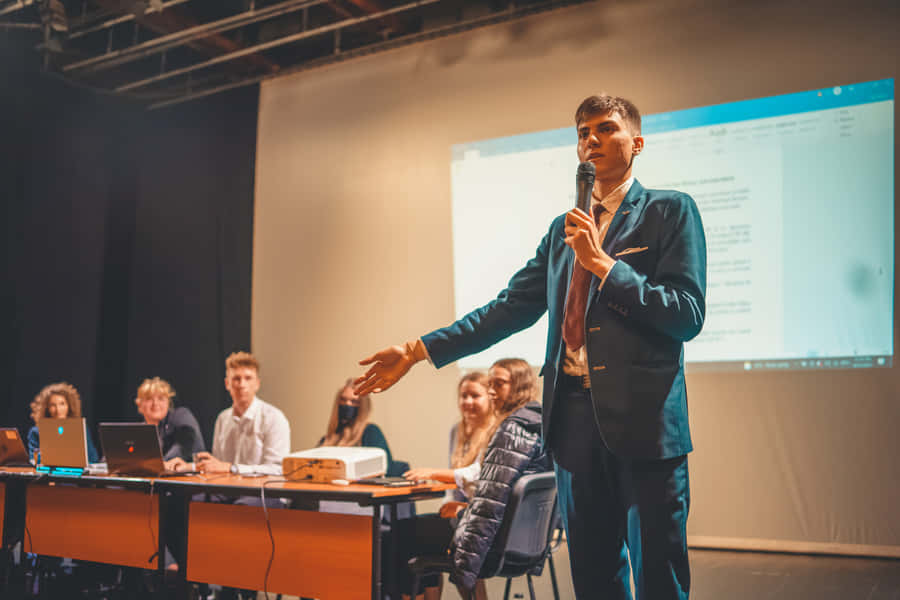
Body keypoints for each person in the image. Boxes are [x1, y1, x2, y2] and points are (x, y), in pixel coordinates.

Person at [356, 95, 707, 600]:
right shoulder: (560, 230)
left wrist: (604, 265)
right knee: (594, 575)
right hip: (574, 422)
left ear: (637, 142)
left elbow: (685, 315)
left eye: (606, 129)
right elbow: (506, 309)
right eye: (584, 132)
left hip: (645, 424)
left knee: (657, 575)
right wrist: (415, 350)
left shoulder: (670, 211)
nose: (592, 140)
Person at [397, 359, 550, 599]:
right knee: (420, 532)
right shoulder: (535, 425)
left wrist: (461, 513)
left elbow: (492, 499)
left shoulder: (512, 431)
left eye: (498, 384)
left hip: (498, 537)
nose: (491, 392)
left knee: (402, 533)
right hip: (522, 537)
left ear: (519, 386)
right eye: (489, 384)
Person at [171, 351, 289, 476]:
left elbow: (277, 469)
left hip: (261, 491)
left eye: (248, 378)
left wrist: (232, 468)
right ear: (227, 384)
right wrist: (189, 466)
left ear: (257, 384)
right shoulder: (223, 418)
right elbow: (218, 466)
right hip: (228, 489)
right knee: (186, 494)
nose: (242, 385)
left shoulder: (274, 418)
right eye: (236, 379)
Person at [403, 371, 494, 513]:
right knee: (405, 526)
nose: (468, 401)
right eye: (464, 396)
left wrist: (433, 473)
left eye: (475, 396)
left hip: (479, 511)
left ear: (490, 398)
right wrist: (447, 504)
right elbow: (452, 481)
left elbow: (476, 475)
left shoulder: (494, 431)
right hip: (459, 509)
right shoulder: (456, 430)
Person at [318, 378, 396, 474]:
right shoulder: (328, 438)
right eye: (343, 399)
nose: (347, 404)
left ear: (362, 405)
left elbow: (386, 468)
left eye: (354, 401)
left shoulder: (370, 432)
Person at [134, 376, 205, 470]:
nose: (155, 403)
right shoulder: (139, 431)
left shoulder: (181, 415)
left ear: (168, 402)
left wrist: (162, 464)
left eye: (161, 398)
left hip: (190, 479)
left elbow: (185, 443)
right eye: (149, 399)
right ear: (140, 405)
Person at [27, 382, 100, 464]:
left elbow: (93, 459)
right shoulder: (36, 432)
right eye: (53, 405)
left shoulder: (81, 429)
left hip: (75, 474)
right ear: (47, 408)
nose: (58, 410)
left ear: (69, 406)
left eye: (62, 404)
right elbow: (33, 460)